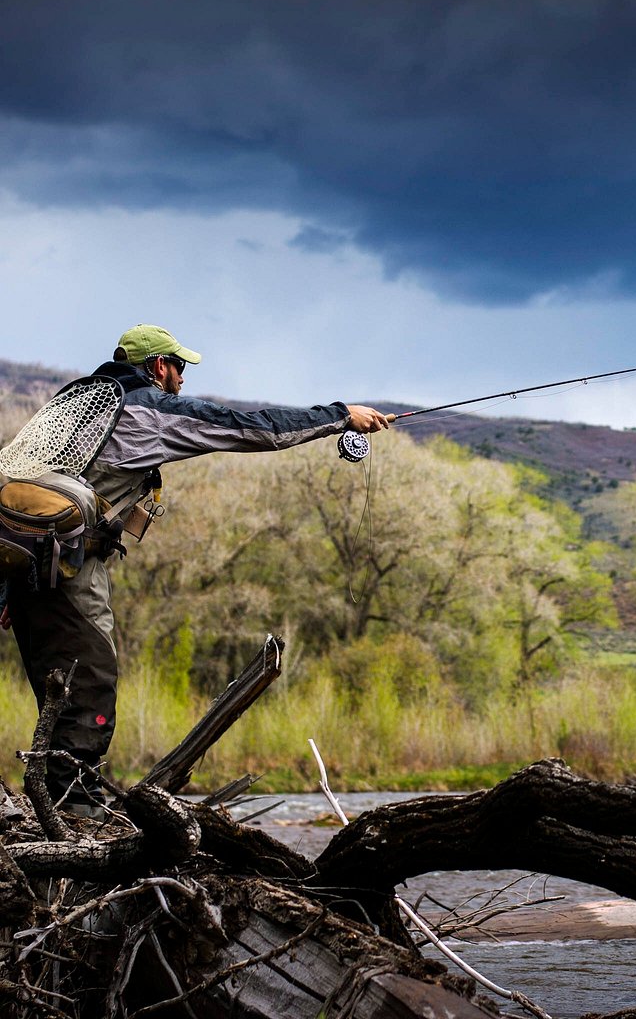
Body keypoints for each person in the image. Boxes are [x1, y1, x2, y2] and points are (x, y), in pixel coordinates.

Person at [5, 323, 390, 817]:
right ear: (158, 367)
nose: (183, 378)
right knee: (90, 688)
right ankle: (75, 816)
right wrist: (340, 417)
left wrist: (7, 587)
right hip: (70, 571)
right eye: (180, 367)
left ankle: (53, 808)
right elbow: (253, 428)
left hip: (25, 569)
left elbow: (16, 482)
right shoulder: (147, 406)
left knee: (57, 694)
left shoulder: (73, 402)